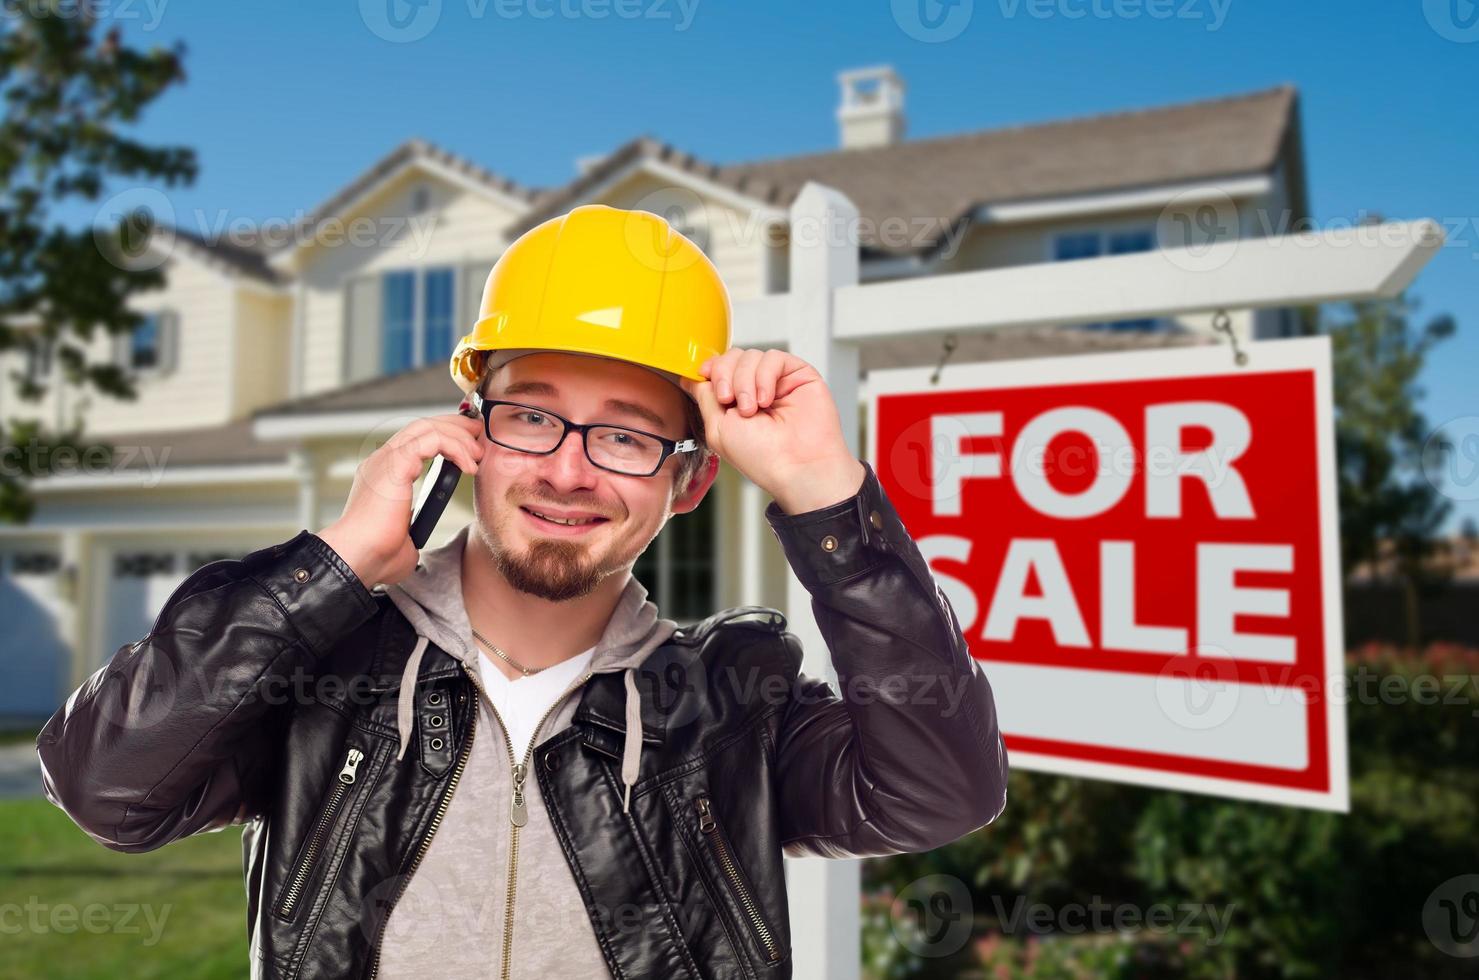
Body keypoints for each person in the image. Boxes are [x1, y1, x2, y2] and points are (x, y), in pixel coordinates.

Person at [36, 204, 1008, 979]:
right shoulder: (324, 669)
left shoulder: (728, 707)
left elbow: (939, 790)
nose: (569, 470)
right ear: (471, 433)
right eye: (531, 416)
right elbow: (106, 783)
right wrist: (332, 563)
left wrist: (826, 498)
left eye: (624, 435)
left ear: (690, 479)